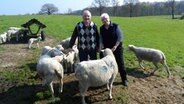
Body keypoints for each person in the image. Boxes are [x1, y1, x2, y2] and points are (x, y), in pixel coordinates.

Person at [99, 13, 128, 86]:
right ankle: (105, 79)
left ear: (109, 18)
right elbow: (101, 38)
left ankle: (124, 79)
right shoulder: (101, 28)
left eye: (106, 18)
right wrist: (101, 44)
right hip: (107, 50)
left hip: (117, 48)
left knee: (120, 63)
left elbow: (120, 37)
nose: (105, 20)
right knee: (104, 64)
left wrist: (115, 46)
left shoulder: (115, 26)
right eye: (103, 19)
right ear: (101, 21)